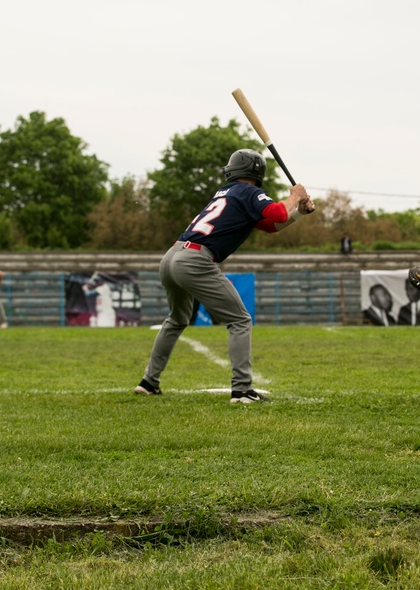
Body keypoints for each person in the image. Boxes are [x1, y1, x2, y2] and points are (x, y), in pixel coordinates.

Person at [134, 149, 314, 403]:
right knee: (240, 320)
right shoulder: (250, 192)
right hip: (196, 260)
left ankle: (148, 382)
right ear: (257, 174)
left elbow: (270, 226)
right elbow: (277, 213)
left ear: (232, 170)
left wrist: (298, 211)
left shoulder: (227, 193)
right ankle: (242, 390)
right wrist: (295, 196)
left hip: (172, 256)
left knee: (176, 319)